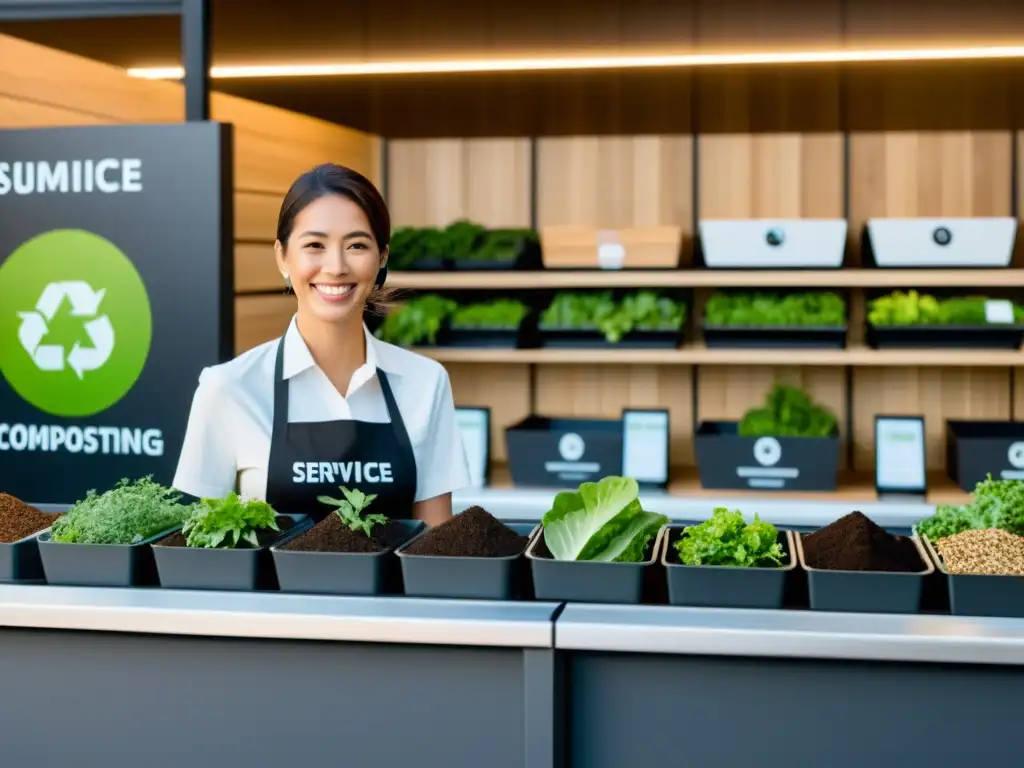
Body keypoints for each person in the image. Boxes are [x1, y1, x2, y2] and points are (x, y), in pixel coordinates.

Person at [172, 163, 470, 526]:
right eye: (314, 245)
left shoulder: (426, 382)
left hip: (393, 586)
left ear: (382, 258)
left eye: (357, 245)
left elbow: (437, 545)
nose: (336, 266)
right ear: (282, 257)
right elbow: (204, 548)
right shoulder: (228, 388)